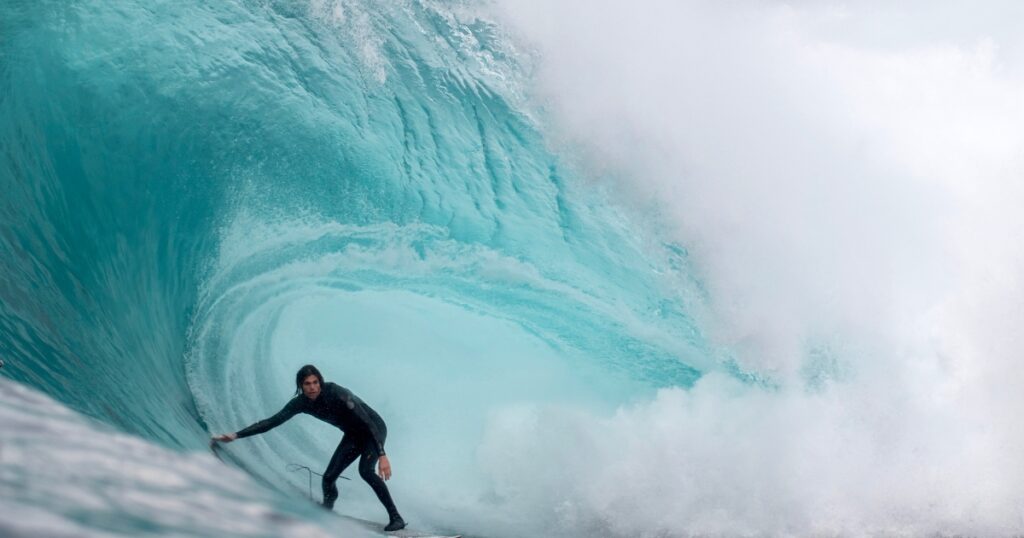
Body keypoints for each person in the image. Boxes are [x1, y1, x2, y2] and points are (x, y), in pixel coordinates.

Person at [212, 364, 406, 531]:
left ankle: (396, 518)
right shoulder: (301, 403)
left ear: (320, 382)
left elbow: (366, 421)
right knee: (329, 478)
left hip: (373, 428)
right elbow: (272, 422)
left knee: (365, 471)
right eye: (307, 384)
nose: (312, 387)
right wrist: (236, 435)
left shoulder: (338, 394)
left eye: (315, 382)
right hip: (354, 434)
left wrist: (382, 454)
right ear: (301, 386)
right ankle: (327, 511)